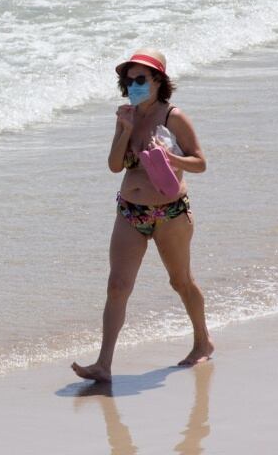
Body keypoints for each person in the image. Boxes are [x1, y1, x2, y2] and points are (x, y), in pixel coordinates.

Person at [71, 48, 214, 383]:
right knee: (118, 285)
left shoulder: (173, 117)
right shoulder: (127, 114)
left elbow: (201, 163)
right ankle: (103, 365)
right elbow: (114, 166)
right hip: (130, 212)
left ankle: (202, 341)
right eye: (128, 79)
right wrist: (124, 129)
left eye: (140, 79)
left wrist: (170, 158)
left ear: (157, 80)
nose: (132, 85)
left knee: (180, 281)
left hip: (171, 213)